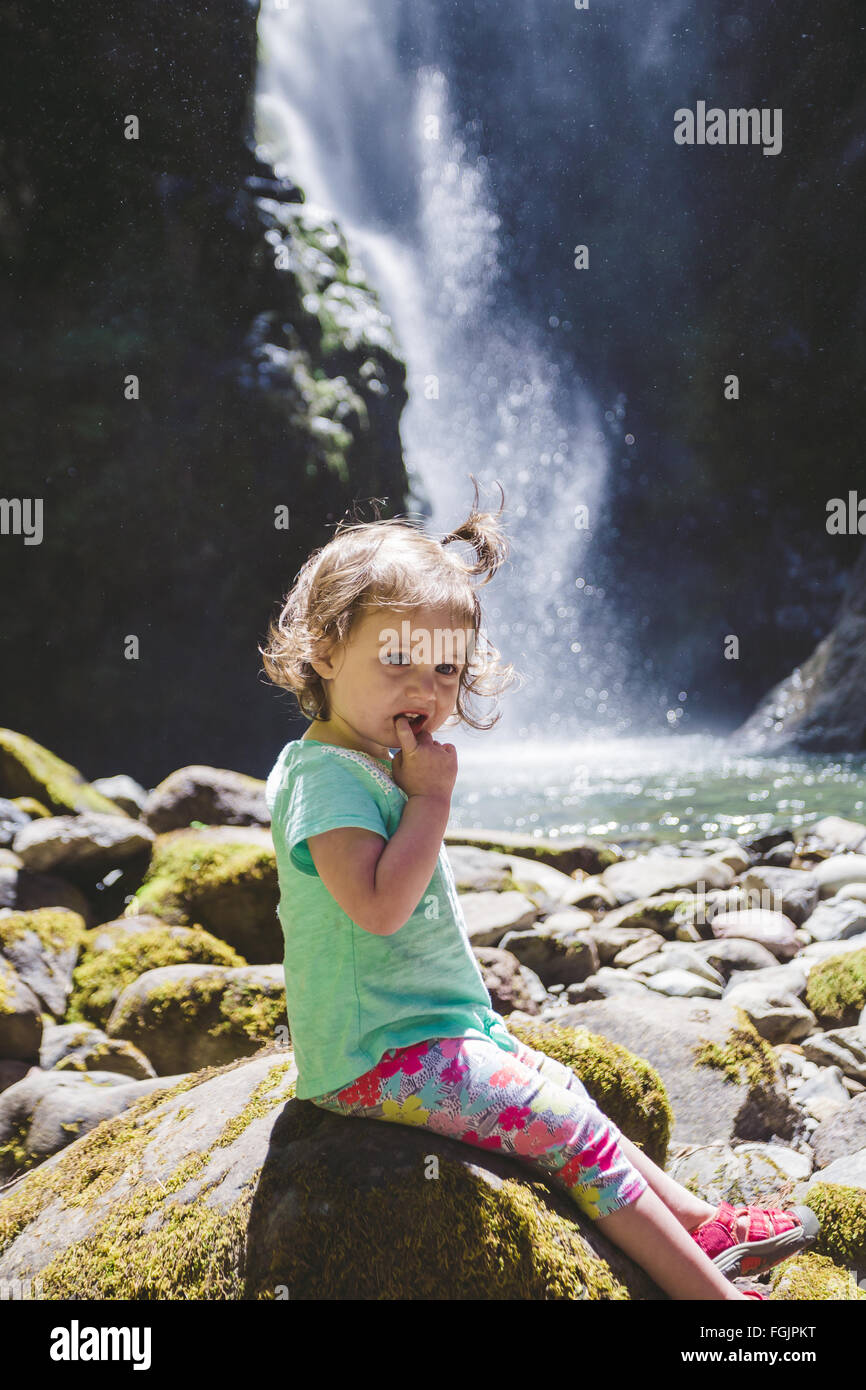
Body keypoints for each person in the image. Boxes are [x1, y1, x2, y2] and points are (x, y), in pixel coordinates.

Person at [258, 480, 818, 1301]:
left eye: (445, 670)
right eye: (398, 660)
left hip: (430, 1031)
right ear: (325, 649)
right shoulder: (325, 780)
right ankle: (715, 1303)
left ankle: (701, 1225)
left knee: (567, 1092)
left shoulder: (368, 763)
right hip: (372, 1056)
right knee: (564, 1129)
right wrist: (433, 802)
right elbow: (377, 908)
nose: (424, 689)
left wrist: (420, 796)